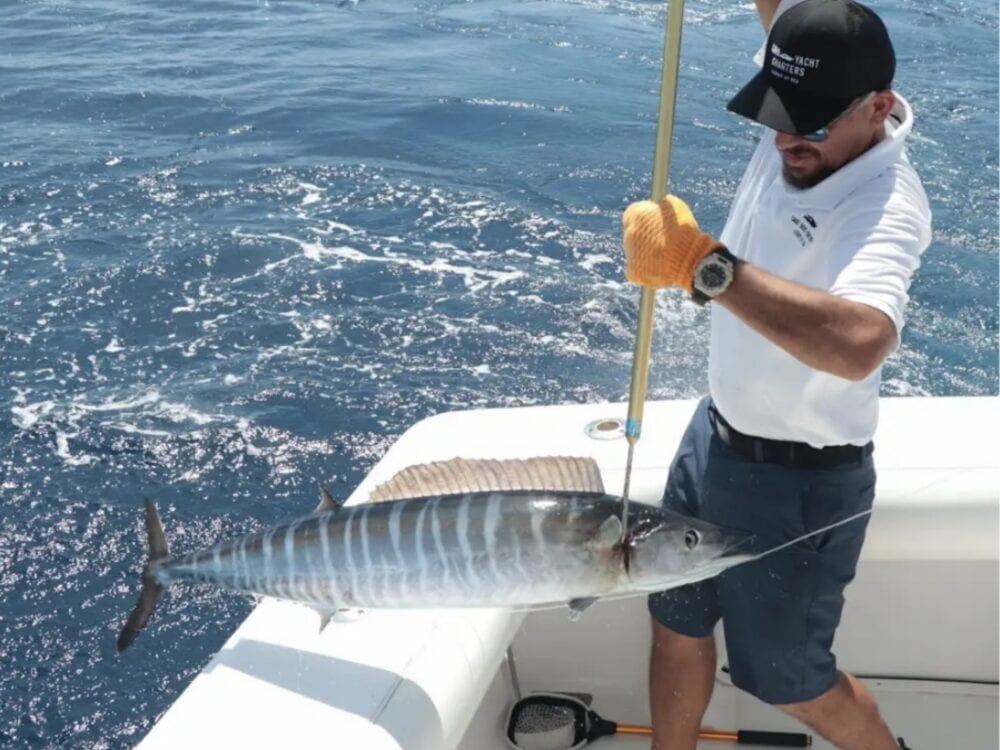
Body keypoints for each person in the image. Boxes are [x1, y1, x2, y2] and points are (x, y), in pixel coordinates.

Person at [620, 0, 931, 748]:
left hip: (801, 481)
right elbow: (780, 12)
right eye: (775, 116)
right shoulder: (810, 90)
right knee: (675, 618)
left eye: (811, 126)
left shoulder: (886, 204)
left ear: (877, 108)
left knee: (786, 679)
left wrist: (704, 267)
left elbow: (859, 342)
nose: (787, 138)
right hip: (713, 435)